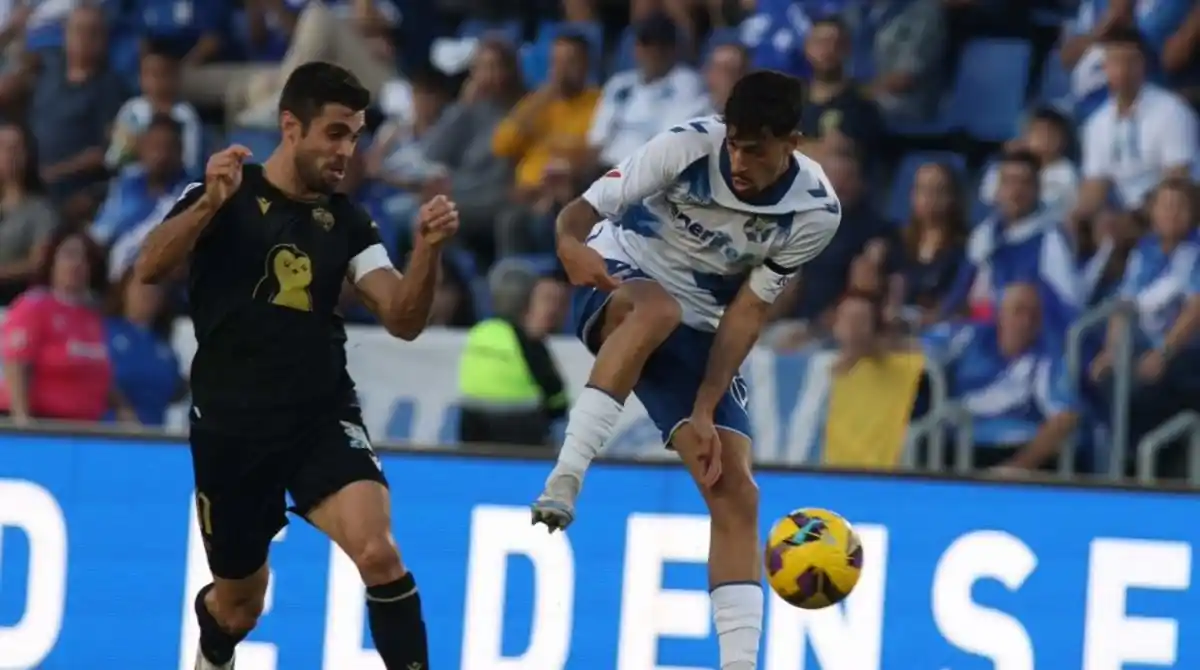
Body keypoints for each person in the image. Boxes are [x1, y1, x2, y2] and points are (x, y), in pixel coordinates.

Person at [133, 61, 459, 670]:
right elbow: (148, 269)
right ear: (291, 126)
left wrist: (428, 253)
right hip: (232, 430)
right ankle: (213, 650)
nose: (347, 151)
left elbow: (403, 318)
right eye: (335, 133)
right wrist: (208, 206)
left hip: (318, 415)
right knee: (239, 606)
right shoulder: (225, 193)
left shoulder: (349, 223)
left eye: (356, 135)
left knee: (380, 553)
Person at [531, 70, 840, 670]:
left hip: (702, 328)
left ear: (793, 143)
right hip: (622, 280)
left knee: (737, 494)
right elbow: (580, 212)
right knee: (655, 308)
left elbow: (749, 312)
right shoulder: (685, 146)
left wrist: (703, 407)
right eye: (735, 143)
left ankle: (739, 664)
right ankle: (567, 476)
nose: (740, 159)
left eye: (756, 149)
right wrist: (571, 246)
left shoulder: (815, 213)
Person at [0, 229, 137, 424]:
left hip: (84, 428)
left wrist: (124, 411)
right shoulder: (33, 306)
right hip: (41, 424)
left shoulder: (93, 316)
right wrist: (22, 418)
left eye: (85, 258)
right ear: (52, 261)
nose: (77, 264)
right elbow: (16, 363)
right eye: (69, 255)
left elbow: (101, 373)